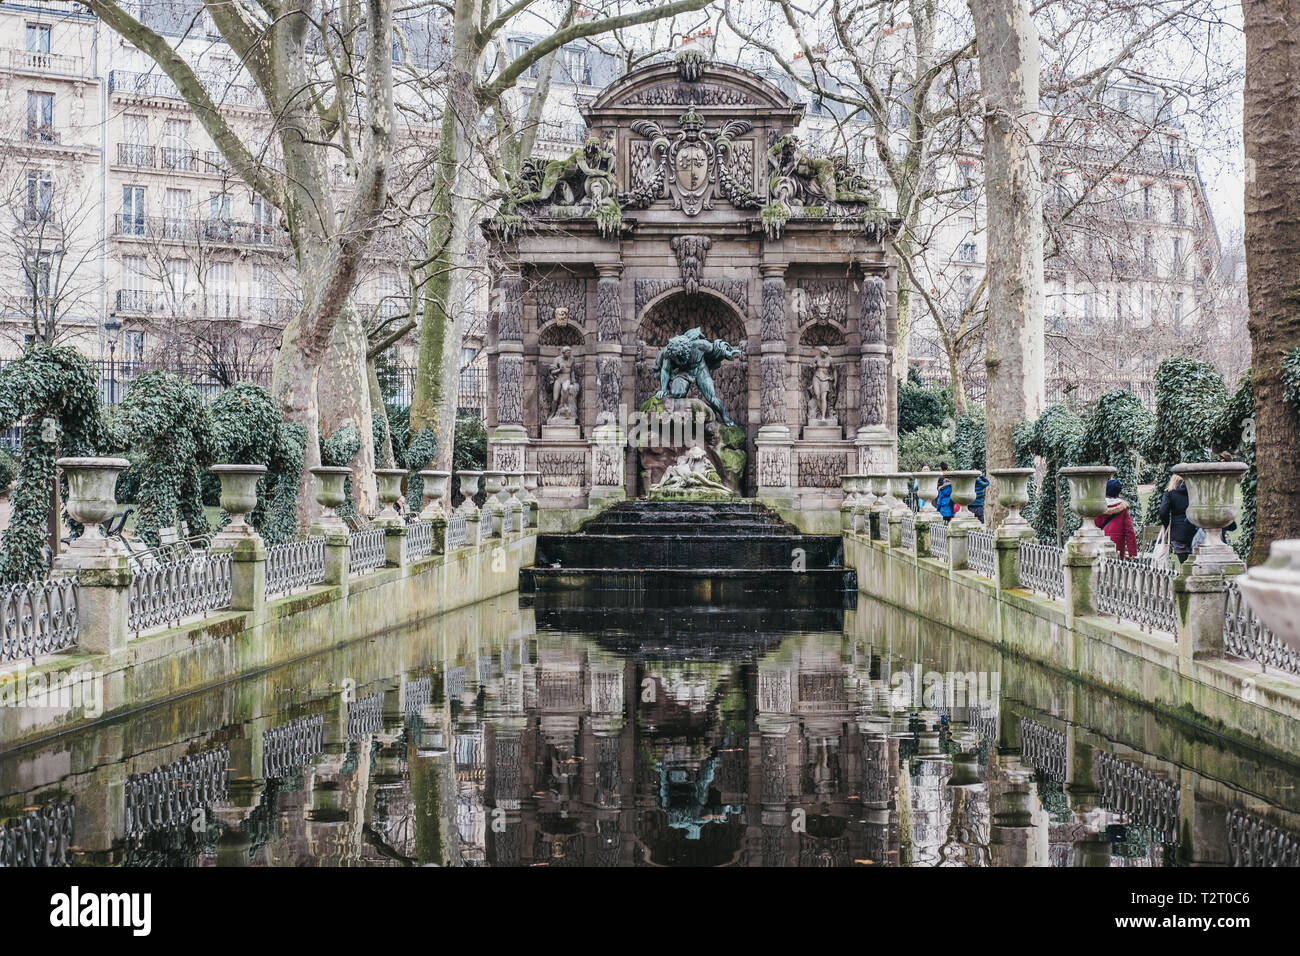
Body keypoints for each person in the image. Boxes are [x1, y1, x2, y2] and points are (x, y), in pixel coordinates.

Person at [1095, 478, 1137, 557]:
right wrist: (1132, 553)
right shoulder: (1122, 509)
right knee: (1116, 566)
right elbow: (1129, 532)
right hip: (1118, 544)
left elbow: (1095, 528)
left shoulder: (1099, 508)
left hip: (1101, 542)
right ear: (1118, 492)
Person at [1158, 474, 1196, 564]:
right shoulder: (1195, 491)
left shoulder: (1169, 492)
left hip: (1178, 531)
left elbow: (1163, 511)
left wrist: (1166, 524)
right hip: (1194, 529)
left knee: (1184, 564)